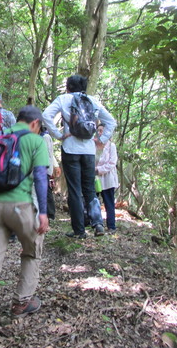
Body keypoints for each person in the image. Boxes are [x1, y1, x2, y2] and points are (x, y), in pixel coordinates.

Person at [0, 106, 49, 348]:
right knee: (32, 249)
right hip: (20, 206)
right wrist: (43, 212)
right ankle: (21, 302)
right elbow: (41, 177)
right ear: (35, 124)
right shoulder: (35, 141)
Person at [42, 74, 116, 239]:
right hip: (89, 151)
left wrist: (58, 135)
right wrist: (101, 140)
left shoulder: (63, 99)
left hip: (70, 149)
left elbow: (46, 115)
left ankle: (79, 230)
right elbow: (111, 121)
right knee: (89, 188)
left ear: (68, 87)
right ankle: (97, 224)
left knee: (75, 190)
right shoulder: (92, 101)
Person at [95, 123, 119, 232]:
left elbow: (112, 162)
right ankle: (95, 224)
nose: (100, 133)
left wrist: (99, 169)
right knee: (93, 201)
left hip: (108, 178)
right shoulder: (93, 145)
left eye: (102, 131)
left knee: (108, 202)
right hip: (95, 178)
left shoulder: (111, 146)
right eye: (99, 130)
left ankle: (111, 226)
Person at [40, 126, 61, 220]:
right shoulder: (41, 136)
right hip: (44, 167)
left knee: (47, 191)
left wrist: (51, 167)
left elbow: (49, 154)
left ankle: (50, 213)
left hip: (44, 167)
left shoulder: (45, 137)